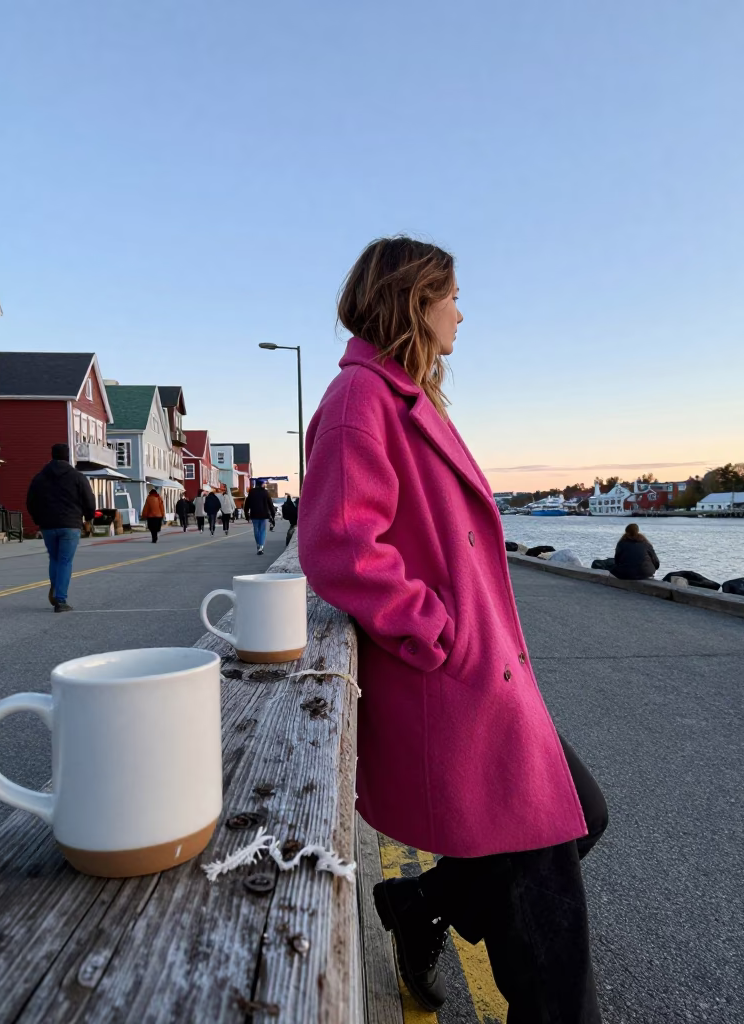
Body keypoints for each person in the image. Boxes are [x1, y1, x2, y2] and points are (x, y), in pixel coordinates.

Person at [298, 238, 607, 1022]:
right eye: (454, 295)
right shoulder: (360, 402)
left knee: (585, 813)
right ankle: (425, 909)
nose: (462, 312)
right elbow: (339, 547)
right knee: (549, 957)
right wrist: (437, 629)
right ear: (414, 299)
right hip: (457, 687)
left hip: (485, 682)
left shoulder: (405, 395)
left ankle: (419, 906)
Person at [26, 443, 96, 612]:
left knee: (55, 559)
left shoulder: (40, 477)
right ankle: (60, 599)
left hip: (48, 525)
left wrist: (38, 519)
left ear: (52, 455)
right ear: (67, 456)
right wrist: (89, 517)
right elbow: (89, 500)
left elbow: (30, 501)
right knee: (65, 561)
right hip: (71, 524)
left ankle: (56, 587)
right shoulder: (77, 476)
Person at [244, 479, 276, 555]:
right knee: (262, 530)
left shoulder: (251, 492)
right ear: (262, 484)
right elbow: (270, 504)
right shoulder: (265, 492)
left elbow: (247, 503)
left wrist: (246, 513)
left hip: (254, 514)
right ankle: (261, 546)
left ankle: (258, 545)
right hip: (264, 514)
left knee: (256, 530)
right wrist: (273, 514)